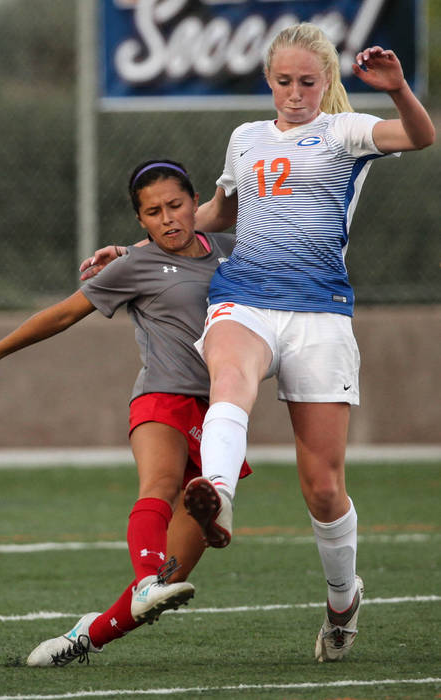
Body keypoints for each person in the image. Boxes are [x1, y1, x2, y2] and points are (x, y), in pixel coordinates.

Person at [81, 26, 435, 662]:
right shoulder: (245, 139)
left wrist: (400, 90)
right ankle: (216, 497)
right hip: (242, 297)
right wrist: (134, 249)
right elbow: (214, 215)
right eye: (283, 81)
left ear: (325, 82)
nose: (295, 93)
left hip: (319, 315)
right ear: (268, 81)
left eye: (307, 82)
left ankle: (342, 597)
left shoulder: (344, 133)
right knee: (231, 378)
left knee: (323, 487)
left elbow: (420, 136)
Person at [0, 160, 250, 667]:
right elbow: (65, 313)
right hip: (162, 396)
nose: (168, 219)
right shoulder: (134, 266)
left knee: (173, 578)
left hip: (222, 413)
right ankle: (143, 580)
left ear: (196, 202)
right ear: (141, 221)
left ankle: (85, 637)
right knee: (158, 486)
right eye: (153, 212)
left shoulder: (232, 253)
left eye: (176, 206)